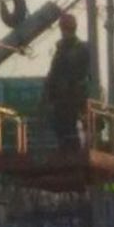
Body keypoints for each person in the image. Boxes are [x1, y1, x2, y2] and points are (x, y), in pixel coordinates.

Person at [45, 13, 90, 150]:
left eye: (65, 28)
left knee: (70, 128)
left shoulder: (80, 49)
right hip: (61, 98)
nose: (64, 31)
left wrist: (69, 86)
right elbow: (53, 73)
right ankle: (66, 146)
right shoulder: (61, 50)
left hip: (74, 98)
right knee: (62, 129)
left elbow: (82, 73)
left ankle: (73, 147)